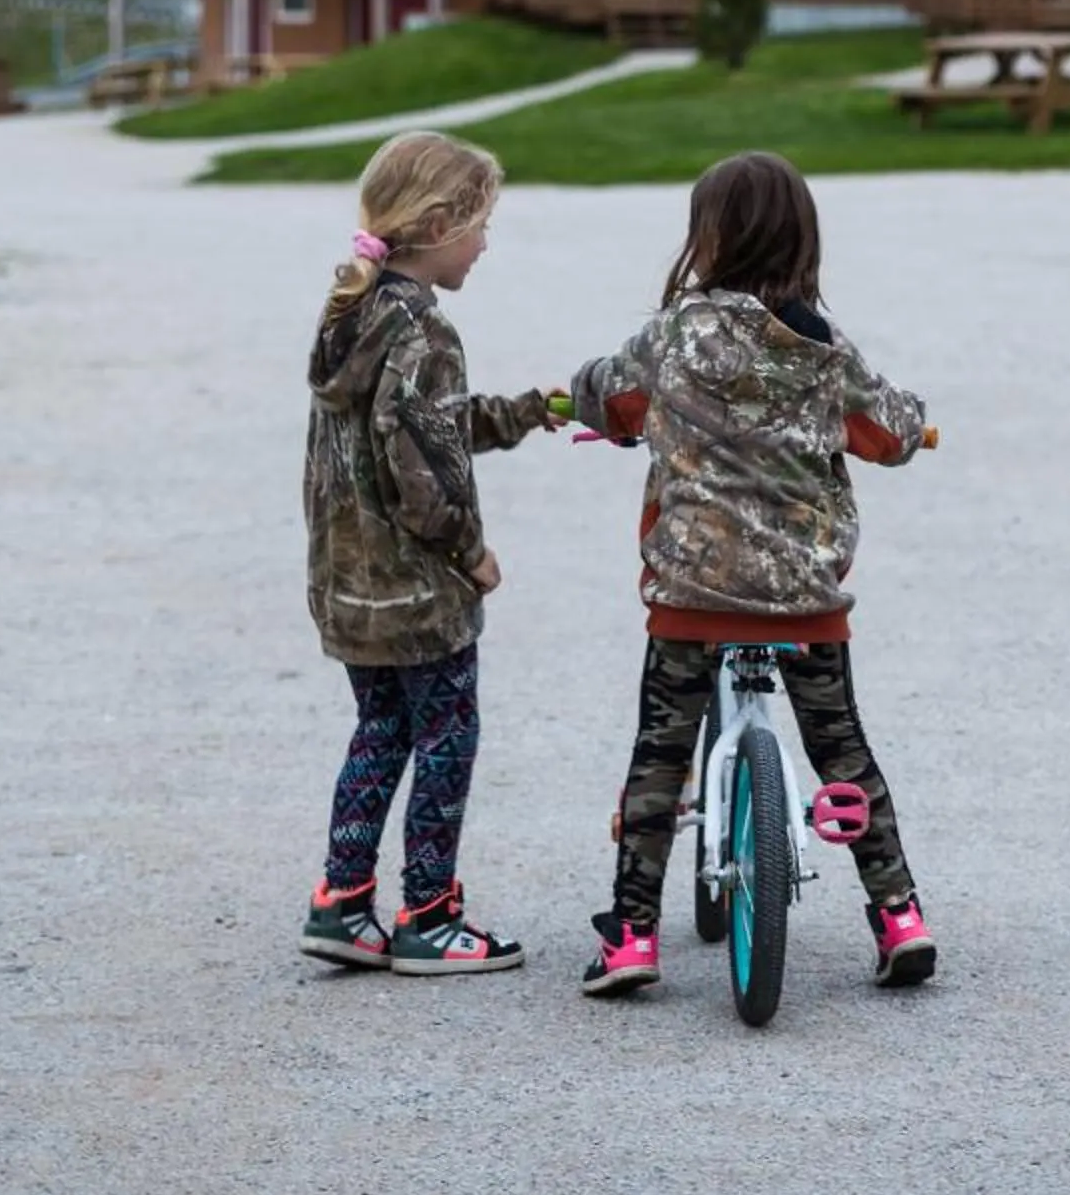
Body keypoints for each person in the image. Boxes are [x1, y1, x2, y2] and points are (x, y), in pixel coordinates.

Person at [564, 150, 938, 996]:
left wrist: (582, 398)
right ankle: (900, 915)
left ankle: (629, 937)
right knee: (844, 755)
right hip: (805, 599)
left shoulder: (676, 334)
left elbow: (608, 396)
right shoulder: (824, 348)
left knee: (660, 760)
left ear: (709, 237)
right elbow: (890, 432)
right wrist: (914, 425)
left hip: (692, 597)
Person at [298, 130, 554, 975]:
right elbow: (417, 472)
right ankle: (432, 916)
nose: (485, 244)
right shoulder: (426, 333)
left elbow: (425, 428)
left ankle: (341, 903)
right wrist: (470, 552)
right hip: (417, 589)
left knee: (380, 729)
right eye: (480, 225)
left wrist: (525, 412)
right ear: (439, 223)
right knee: (446, 735)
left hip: (350, 581)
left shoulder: (352, 318)